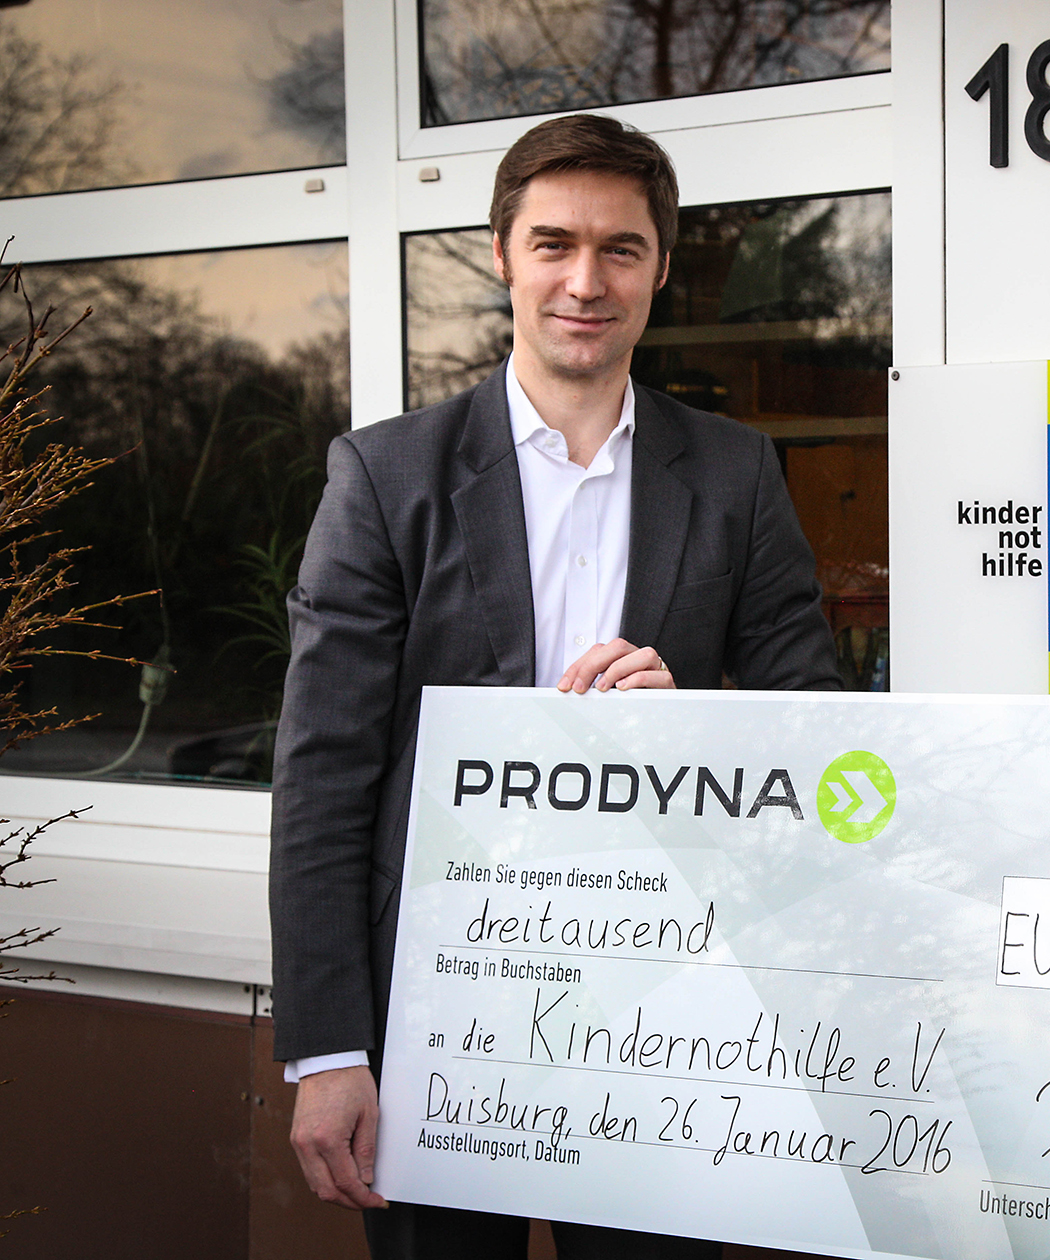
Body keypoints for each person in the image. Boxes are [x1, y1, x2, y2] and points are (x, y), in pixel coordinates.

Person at [269, 114, 843, 1258]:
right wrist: (328, 1048)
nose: (586, 281)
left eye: (621, 248)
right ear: (503, 255)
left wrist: (692, 729)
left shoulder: (735, 472)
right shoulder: (386, 476)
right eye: (554, 244)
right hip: (435, 1014)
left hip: (661, 1012)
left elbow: (811, 724)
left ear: (661, 269)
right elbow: (324, 773)